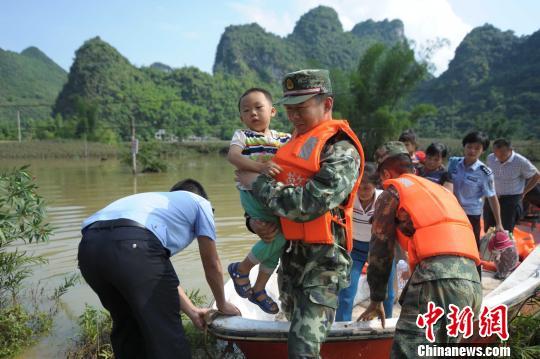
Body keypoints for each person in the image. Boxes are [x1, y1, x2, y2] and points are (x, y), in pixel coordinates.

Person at [237, 69, 363, 358]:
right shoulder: (289, 144)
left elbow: (307, 205)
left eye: (301, 109)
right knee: (295, 338)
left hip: (322, 265)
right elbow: (269, 206)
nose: (294, 117)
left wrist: (257, 184)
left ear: (327, 104)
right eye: (289, 110)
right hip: (291, 262)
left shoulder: (341, 150)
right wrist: (253, 223)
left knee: (302, 351)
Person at [77, 179, 240, 359]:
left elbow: (154, 269)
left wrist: (192, 311)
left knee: (127, 327)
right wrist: (222, 303)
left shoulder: (151, 204)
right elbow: (211, 264)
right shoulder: (201, 204)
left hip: (89, 249)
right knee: (166, 337)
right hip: (134, 245)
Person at [358, 142, 482, 358]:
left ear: (386, 172)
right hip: (472, 283)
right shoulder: (441, 191)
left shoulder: (392, 192)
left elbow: (380, 249)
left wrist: (377, 297)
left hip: (437, 280)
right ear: (412, 167)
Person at [227, 87, 291, 314]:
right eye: (246, 110)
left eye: (258, 107)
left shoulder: (285, 138)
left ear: (272, 111)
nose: (253, 113)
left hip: (275, 196)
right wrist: (260, 168)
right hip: (252, 194)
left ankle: (259, 288)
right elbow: (233, 156)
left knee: (276, 242)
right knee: (278, 236)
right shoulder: (242, 136)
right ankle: (241, 270)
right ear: (242, 117)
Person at [335, 163, 396, 321]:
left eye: (367, 188)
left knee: (388, 295)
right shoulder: (348, 197)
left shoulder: (385, 200)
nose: (362, 192)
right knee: (347, 292)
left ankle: (387, 325)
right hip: (355, 249)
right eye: (359, 187)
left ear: (376, 185)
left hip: (381, 250)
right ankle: (342, 327)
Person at [448, 131, 504, 277]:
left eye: (477, 148)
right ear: (464, 146)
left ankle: (475, 281)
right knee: (451, 247)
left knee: (472, 250)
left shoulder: (485, 172)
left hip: (471, 216)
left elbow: (492, 197)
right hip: (451, 214)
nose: (472, 151)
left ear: (483, 151)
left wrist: (499, 223)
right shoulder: (453, 163)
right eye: (469, 146)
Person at [483, 138, 540, 233]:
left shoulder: (520, 161)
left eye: (502, 154)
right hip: (493, 197)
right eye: (496, 153)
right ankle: (489, 247)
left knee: (505, 230)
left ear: (510, 150)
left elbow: (536, 176)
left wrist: (524, 192)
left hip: (511, 199)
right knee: (489, 228)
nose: (498, 156)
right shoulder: (490, 158)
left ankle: (504, 247)